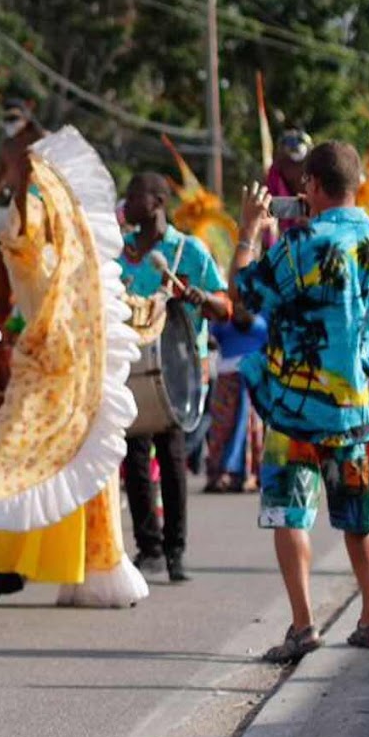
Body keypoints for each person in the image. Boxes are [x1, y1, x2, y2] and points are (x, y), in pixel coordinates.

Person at [0, 127, 148, 610]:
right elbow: (19, 235)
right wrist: (22, 179)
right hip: (42, 364)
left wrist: (28, 174)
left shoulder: (78, 250)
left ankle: (85, 569)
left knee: (85, 464)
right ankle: (5, 566)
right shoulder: (31, 240)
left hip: (81, 366)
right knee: (12, 454)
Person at [232, 142, 369, 661]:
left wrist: (248, 232)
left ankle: (304, 627)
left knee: (290, 515)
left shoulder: (299, 242)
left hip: (296, 409)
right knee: (361, 520)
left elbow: (244, 293)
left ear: (312, 185)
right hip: (357, 410)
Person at [118, 173, 230, 583]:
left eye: (134, 196)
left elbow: (225, 306)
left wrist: (202, 298)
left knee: (171, 456)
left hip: (177, 366)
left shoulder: (188, 251)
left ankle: (175, 551)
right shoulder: (120, 253)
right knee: (133, 455)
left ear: (157, 202)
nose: (126, 203)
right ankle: (148, 548)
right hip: (131, 365)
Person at [205, 307, 269, 493]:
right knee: (224, 425)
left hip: (253, 375)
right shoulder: (223, 305)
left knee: (249, 425)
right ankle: (224, 473)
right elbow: (212, 336)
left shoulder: (264, 300)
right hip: (229, 376)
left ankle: (248, 475)